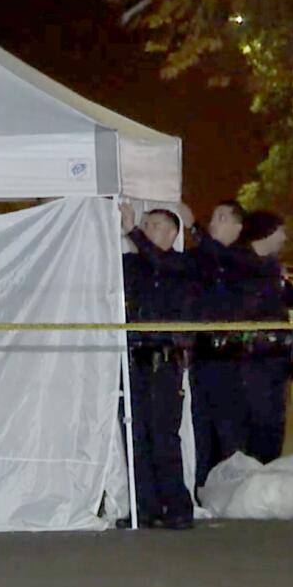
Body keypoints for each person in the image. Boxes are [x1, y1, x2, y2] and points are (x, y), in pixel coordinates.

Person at [120, 203, 199, 529]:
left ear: (170, 233)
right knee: (135, 435)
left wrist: (132, 232)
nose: (145, 229)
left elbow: (160, 263)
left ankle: (177, 507)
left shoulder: (180, 265)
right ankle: (146, 507)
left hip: (164, 362)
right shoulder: (134, 265)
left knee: (164, 436)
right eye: (145, 225)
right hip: (135, 360)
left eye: (152, 225)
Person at [179, 199, 256, 488]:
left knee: (228, 426)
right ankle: (203, 486)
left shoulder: (242, 258)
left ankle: (233, 486)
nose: (214, 223)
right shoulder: (203, 257)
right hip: (202, 353)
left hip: (231, 357)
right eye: (212, 217)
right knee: (201, 424)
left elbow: (222, 259)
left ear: (238, 226)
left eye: (221, 218)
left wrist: (194, 227)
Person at [236, 210, 293, 464]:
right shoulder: (240, 267)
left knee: (273, 428)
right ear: (265, 232)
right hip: (250, 361)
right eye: (280, 230)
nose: (284, 237)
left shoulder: (275, 270)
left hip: (277, 361)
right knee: (256, 426)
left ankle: (266, 483)